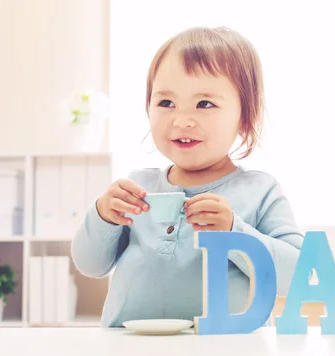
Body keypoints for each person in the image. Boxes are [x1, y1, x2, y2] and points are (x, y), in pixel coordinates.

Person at [71, 26, 303, 328]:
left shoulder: (260, 190)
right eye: (166, 103)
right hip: (130, 345)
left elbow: (299, 276)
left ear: (245, 117)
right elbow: (90, 265)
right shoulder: (137, 185)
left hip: (230, 348)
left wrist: (235, 232)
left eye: (204, 104)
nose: (181, 120)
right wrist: (103, 214)